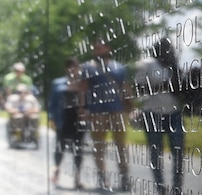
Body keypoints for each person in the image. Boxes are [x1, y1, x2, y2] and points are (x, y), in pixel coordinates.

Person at [79, 39, 132, 191]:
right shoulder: (88, 68)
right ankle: (103, 177)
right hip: (97, 112)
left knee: (121, 146)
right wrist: (82, 109)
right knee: (99, 146)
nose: (97, 50)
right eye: (95, 48)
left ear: (107, 49)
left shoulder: (119, 67)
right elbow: (83, 89)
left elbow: (125, 88)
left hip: (117, 110)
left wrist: (130, 108)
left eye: (100, 48)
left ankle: (124, 177)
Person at [134, 39, 185, 194]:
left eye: (169, 48)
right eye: (164, 48)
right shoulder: (147, 64)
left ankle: (177, 188)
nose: (167, 51)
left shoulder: (174, 65)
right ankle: (160, 187)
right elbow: (138, 89)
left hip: (174, 113)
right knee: (156, 152)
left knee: (178, 151)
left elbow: (180, 89)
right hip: (152, 113)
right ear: (157, 49)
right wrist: (162, 85)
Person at [48, 58, 86, 189]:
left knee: (78, 149)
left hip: (78, 119)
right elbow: (52, 102)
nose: (73, 69)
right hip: (63, 118)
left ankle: (77, 177)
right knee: (60, 146)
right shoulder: (58, 83)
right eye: (70, 67)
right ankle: (57, 168)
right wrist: (51, 117)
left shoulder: (83, 83)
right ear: (66, 69)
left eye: (75, 66)